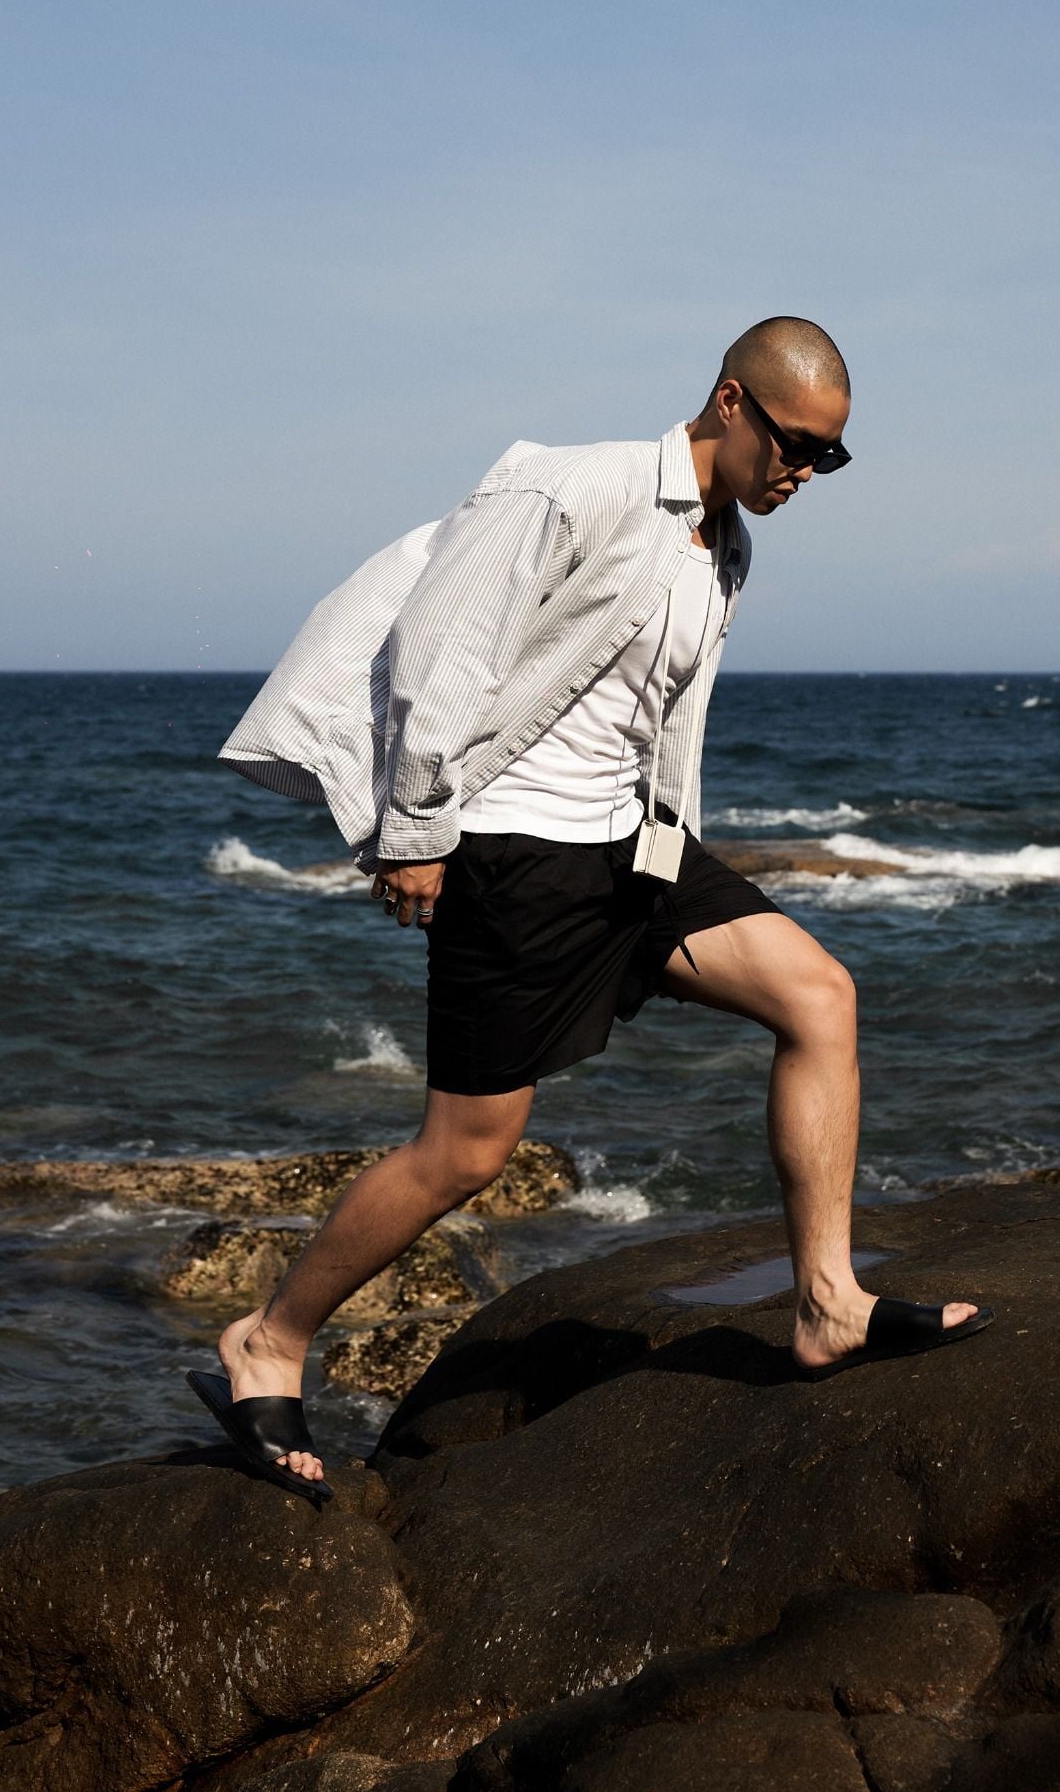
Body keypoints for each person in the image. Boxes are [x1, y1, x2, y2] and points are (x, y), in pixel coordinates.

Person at [189, 317, 991, 1503]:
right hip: (515, 855)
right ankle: (271, 1334)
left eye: (831, 458)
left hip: (635, 850)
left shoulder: (726, 548)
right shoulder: (574, 486)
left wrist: (667, 842)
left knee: (820, 995)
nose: (805, 474)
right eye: (797, 445)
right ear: (730, 400)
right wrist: (416, 835)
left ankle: (828, 1301)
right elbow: (439, 647)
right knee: (466, 1149)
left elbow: (657, 721)